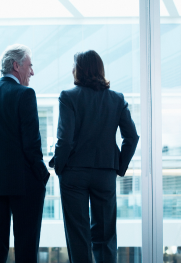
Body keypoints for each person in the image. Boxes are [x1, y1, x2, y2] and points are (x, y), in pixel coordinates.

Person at [50, 50, 139, 262]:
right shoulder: (116, 99)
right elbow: (132, 137)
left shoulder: (68, 96)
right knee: (105, 234)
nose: (72, 70)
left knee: (78, 235)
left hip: (73, 174)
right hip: (105, 174)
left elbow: (65, 140)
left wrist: (59, 167)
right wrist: (118, 166)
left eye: (74, 66)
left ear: (79, 70)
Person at [0, 44, 50, 263]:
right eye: (30, 65)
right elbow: (31, 143)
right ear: (16, 66)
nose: (32, 72)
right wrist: (42, 175)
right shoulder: (25, 94)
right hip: (24, 182)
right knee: (26, 246)